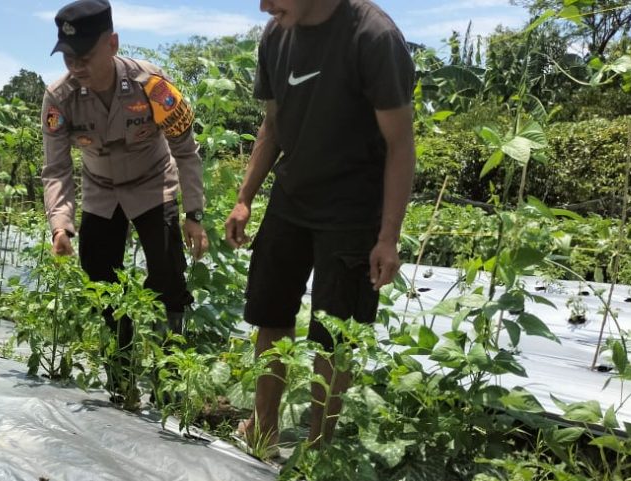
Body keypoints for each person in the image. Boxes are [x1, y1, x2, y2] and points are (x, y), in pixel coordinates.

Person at [224, 0, 416, 452]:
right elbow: (272, 126)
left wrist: (388, 237)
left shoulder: (373, 37)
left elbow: (400, 144)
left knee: (334, 335)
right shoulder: (275, 35)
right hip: (291, 200)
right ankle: (263, 430)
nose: (263, 5)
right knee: (270, 314)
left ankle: (317, 449)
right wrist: (244, 198)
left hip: (353, 210)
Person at [41, 0, 209, 399]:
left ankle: (171, 376)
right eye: (68, 57)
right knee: (100, 275)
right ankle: (121, 370)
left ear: (112, 43)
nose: (76, 66)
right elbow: (57, 169)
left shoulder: (153, 85)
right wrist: (60, 224)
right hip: (101, 190)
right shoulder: (59, 98)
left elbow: (186, 150)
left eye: (85, 56)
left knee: (168, 274)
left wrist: (194, 213)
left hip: (153, 184)